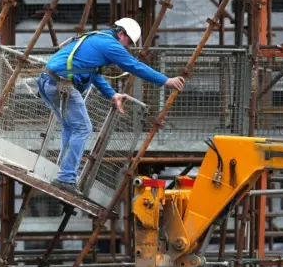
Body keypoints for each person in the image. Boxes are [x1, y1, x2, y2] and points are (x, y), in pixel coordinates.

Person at [36, 17, 185, 196]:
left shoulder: (97, 39)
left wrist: (112, 94)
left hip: (48, 81)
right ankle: (66, 178)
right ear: (121, 34)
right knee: (83, 128)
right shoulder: (110, 45)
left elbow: (93, 75)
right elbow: (134, 66)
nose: (127, 47)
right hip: (61, 84)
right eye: (128, 42)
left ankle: (63, 172)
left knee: (71, 127)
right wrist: (166, 80)